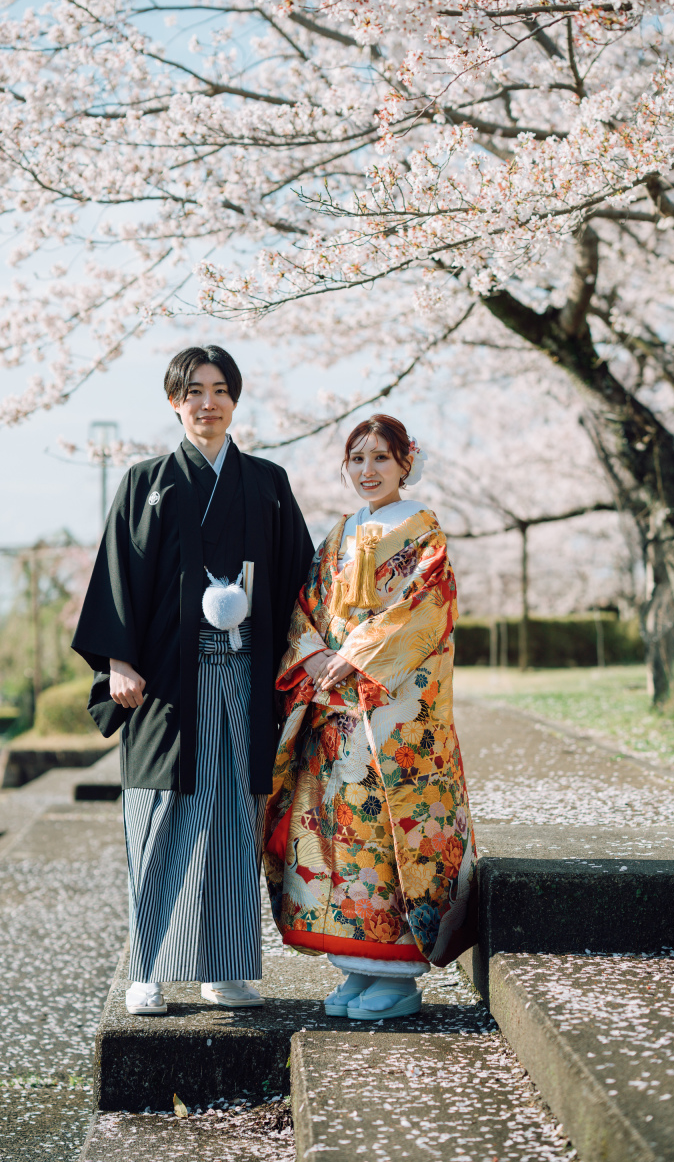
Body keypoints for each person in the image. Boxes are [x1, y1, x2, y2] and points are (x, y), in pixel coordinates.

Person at [72, 345, 314, 1015]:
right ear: (174, 402)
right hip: (166, 685)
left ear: (235, 400)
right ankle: (147, 969)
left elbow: (300, 581)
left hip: (244, 675)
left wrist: (310, 655)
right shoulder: (146, 482)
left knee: (236, 816)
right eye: (195, 391)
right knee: (160, 815)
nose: (208, 402)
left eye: (220, 390)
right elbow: (117, 576)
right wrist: (117, 661)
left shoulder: (266, 482)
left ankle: (227, 968)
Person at [263, 414, 477, 1021]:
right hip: (335, 712)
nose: (368, 470)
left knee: (387, 832)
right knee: (340, 837)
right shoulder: (338, 534)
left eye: (381, 457)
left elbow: (426, 609)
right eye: (357, 459)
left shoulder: (422, 531)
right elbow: (307, 605)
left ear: (406, 463)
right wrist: (316, 655)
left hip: (392, 713)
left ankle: (399, 978)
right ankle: (357, 966)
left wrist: (357, 655)